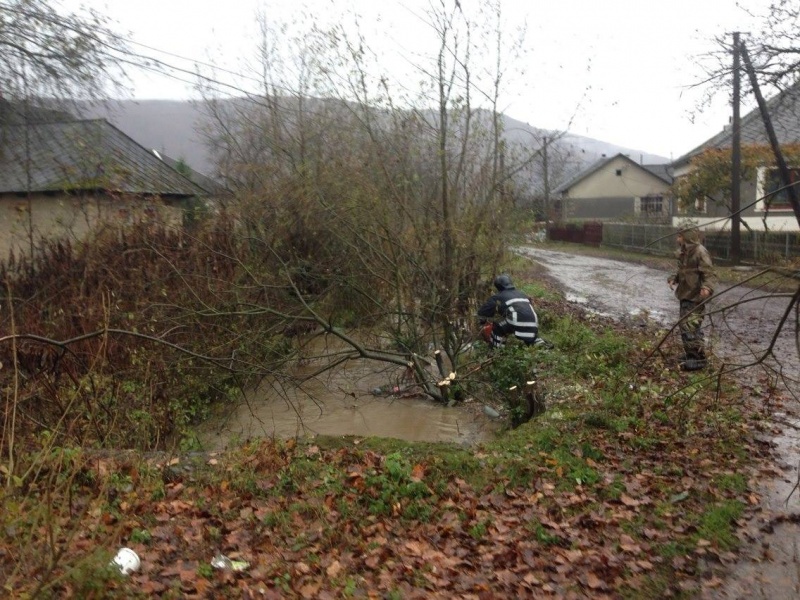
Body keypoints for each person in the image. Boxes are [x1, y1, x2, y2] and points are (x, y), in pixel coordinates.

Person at [667, 227, 716, 371]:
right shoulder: (684, 252)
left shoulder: (700, 252)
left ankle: (697, 358)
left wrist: (707, 287)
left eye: (680, 236)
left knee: (691, 326)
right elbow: (681, 269)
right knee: (685, 325)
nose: (678, 239)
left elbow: (708, 272)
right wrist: (674, 278)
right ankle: (691, 354)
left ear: (687, 237)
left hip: (695, 296)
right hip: (685, 293)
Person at [477, 274, 540, 347]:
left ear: (498, 286)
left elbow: (483, 312)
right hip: (534, 322)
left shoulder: (497, 296)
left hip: (516, 321)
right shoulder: (522, 294)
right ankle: (539, 344)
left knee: (498, 326)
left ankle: (496, 349)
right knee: (531, 337)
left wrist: (483, 320)